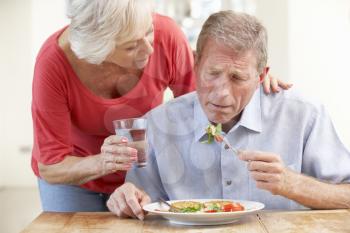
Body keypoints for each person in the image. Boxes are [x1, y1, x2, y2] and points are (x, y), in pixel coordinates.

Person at [31, 0, 289, 212]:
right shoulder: (54, 65)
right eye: (132, 45)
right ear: (101, 50)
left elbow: (202, 105)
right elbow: (51, 166)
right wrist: (102, 163)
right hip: (75, 181)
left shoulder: (166, 36)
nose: (149, 48)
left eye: (148, 32)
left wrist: (252, 80)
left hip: (144, 178)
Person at [107, 10, 350, 220]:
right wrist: (127, 200)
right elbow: (141, 202)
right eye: (212, 73)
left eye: (238, 78)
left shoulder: (303, 115)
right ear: (196, 63)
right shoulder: (157, 124)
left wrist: (292, 184)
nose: (222, 93)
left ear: (261, 76)